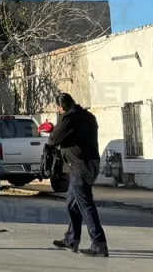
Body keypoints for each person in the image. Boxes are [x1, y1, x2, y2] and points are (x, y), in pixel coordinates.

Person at [46, 93, 108, 258]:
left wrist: (58, 123)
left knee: (86, 205)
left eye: (58, 109)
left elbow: (53, 139)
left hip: (80, 166)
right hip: (89, 164)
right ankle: (71, 239)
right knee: (71, 204)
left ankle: (99, 244)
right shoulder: (88, 116)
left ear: (61, 107)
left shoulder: (68, 118)